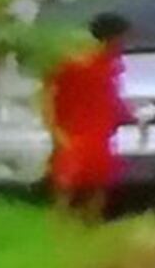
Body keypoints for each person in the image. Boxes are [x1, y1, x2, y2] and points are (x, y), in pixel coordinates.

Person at [43, 12, 135, 223]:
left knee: (99, 180)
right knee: (68, 181)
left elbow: (110, 95)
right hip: (75, 130)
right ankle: (59, 226)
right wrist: (54, 129)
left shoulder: (110, 64)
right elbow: (48, 96)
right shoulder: (75, 64)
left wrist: (130, 116)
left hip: (99, 128)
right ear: (112, 37)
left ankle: (90, 225)